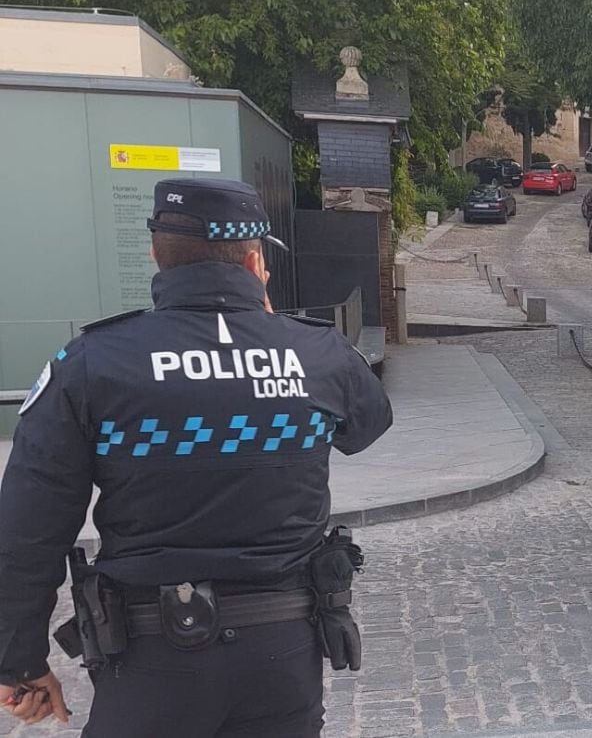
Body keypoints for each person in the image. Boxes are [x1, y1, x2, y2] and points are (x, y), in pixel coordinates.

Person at [0, 178, 393, 736]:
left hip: (148, 665)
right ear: (256, 259)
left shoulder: (94, 362)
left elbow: (27, 527)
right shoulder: (317, 351)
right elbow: (367, 425)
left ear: (157, 256)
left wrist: (18, 662)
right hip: (281, 658)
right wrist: (273, 335)